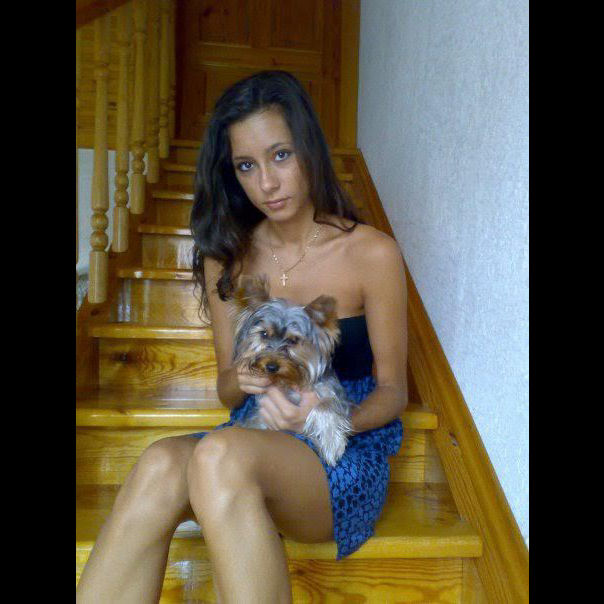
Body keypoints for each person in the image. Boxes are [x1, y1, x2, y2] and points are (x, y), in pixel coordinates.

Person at [76, 70, 408, 604]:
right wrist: (245, 377)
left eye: (281, 155)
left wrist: (326, 416)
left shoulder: (372, 253)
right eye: (246, 166)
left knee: (221, 455)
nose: (267, 184)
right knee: (160, 461)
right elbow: (227, 390)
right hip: (252, 437)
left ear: (309, 148)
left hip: (339, 451)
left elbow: (394, 391)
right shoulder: (226, 256)